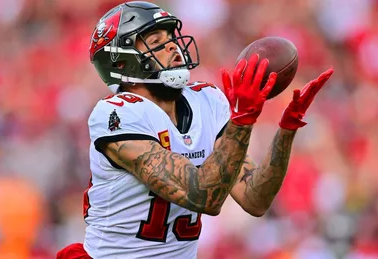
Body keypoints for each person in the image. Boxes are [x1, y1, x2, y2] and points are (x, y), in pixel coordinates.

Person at [57, 1, 334, 258]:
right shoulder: (117, 113)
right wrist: (242, 119)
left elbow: (255, 199)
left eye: (170, 39)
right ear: (122, 63)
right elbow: (203, 197)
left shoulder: (206, 100)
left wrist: (287, 128)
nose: (172, 47)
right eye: (156, 42)